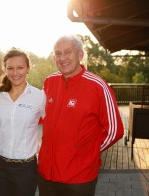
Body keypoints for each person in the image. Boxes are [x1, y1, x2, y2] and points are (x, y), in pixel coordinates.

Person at [37, 35, 124, 196]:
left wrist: (89, 153)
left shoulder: (97, 86)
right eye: (58, 53)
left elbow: (115, 130)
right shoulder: (50, 82)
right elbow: (37, 116)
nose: (62, 58)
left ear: (80, 55)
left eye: (68, 52)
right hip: (46, 175)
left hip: (79, 178)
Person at [0, 48, 46, 196]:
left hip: (26, 169)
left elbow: (51, 125)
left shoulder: (39, 96)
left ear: (28, 68)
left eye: (20, 68)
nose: (15, 73)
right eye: (10, 68)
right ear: (5, 69)